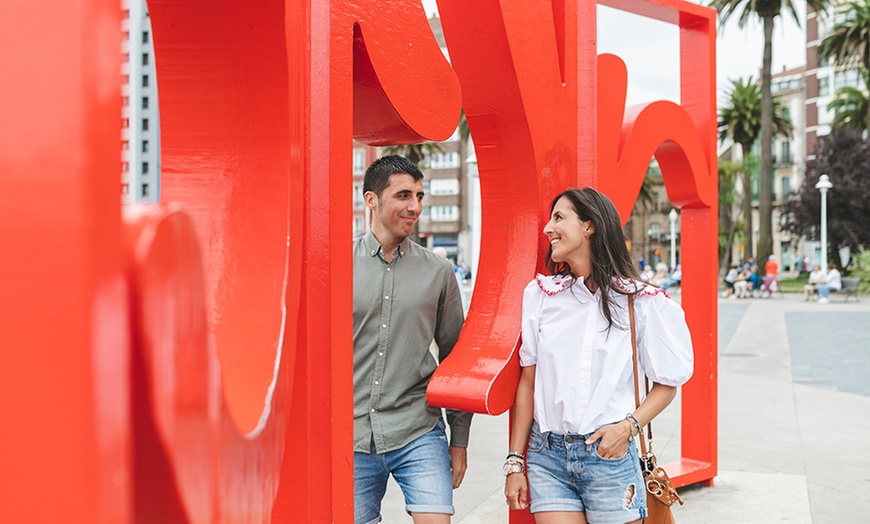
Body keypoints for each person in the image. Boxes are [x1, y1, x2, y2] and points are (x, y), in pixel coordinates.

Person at [503, 188, 694, 523]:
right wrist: (515, 461)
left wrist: (627, 428)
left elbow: (667, 384)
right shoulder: (542, 297)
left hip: (610, 456)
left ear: (589, 226)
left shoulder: (642, 302)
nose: (548, 228)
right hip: (548, 458)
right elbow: (527, 382)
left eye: (559, 218)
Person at [353, 155, 473, 524]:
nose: (415, 207)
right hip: (351, 434)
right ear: (372, 200)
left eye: (420, 196)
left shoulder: (438, 270)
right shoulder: (337, 263)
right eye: (404, 195)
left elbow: (456, 356)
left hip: (417, 429)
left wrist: (459, 441)